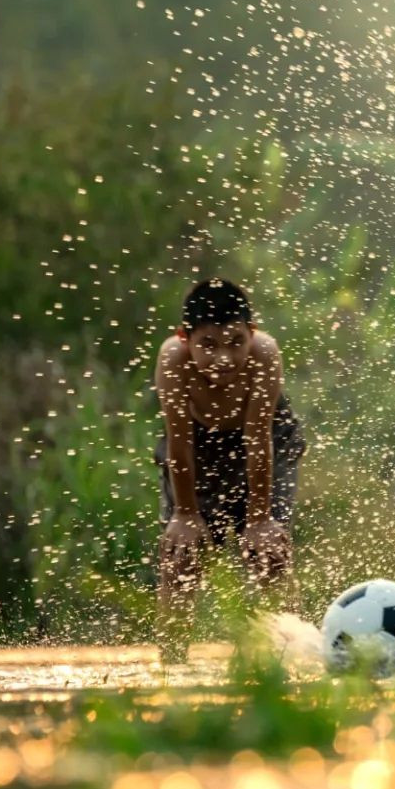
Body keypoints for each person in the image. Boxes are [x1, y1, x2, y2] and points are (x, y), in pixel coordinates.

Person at [153, 278, 305, 654]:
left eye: (237, 342)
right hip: (196, 447)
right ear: (185, 339)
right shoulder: (173, 359)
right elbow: (179, 442)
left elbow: (258, 439)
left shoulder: (265, 354)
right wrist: (186, 514)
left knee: (269, 556)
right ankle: (171, 665)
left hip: (266, 438)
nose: (224, 359)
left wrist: (259, 519)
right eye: (208, 345)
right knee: (180, 560)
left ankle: (297, 660)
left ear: (251, 333)